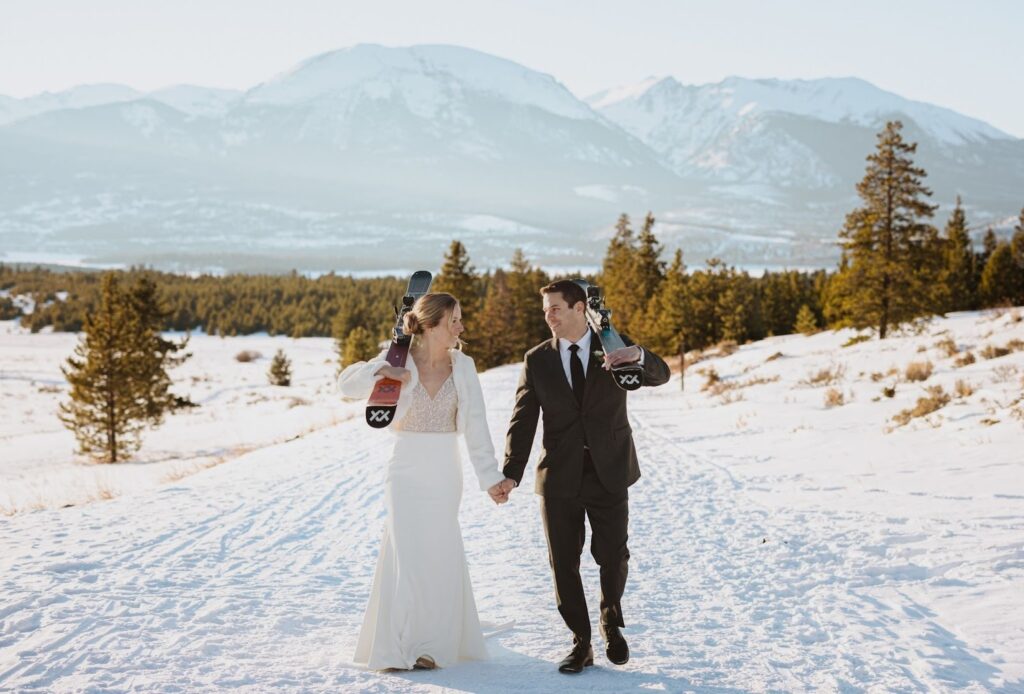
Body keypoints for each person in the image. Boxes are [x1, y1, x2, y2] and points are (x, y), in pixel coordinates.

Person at [338, 292, 515, 671]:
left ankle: (431, 646)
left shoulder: (463, 366)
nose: (461, 327)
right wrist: (384, 373)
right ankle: (400, 644)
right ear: (431, 324)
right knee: (407, 554)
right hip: (404, 469)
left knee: (437, 552)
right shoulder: (398, 357)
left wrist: (492, 479)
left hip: (443, 471)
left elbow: (477, 427)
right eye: (455, 320)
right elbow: (346, 384)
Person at [502, 279, 670, 674]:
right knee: (563, 562)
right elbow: (523, 421)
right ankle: (581, 642)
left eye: (556, 308)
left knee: (613, 555)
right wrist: (512, 473)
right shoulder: (537, 359)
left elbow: (660, 375)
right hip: (559, 477)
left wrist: (640, 355)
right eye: (545, 310)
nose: (549, 316)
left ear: (580, 309)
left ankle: (611, 622)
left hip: (609, 471)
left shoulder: (613, 344)